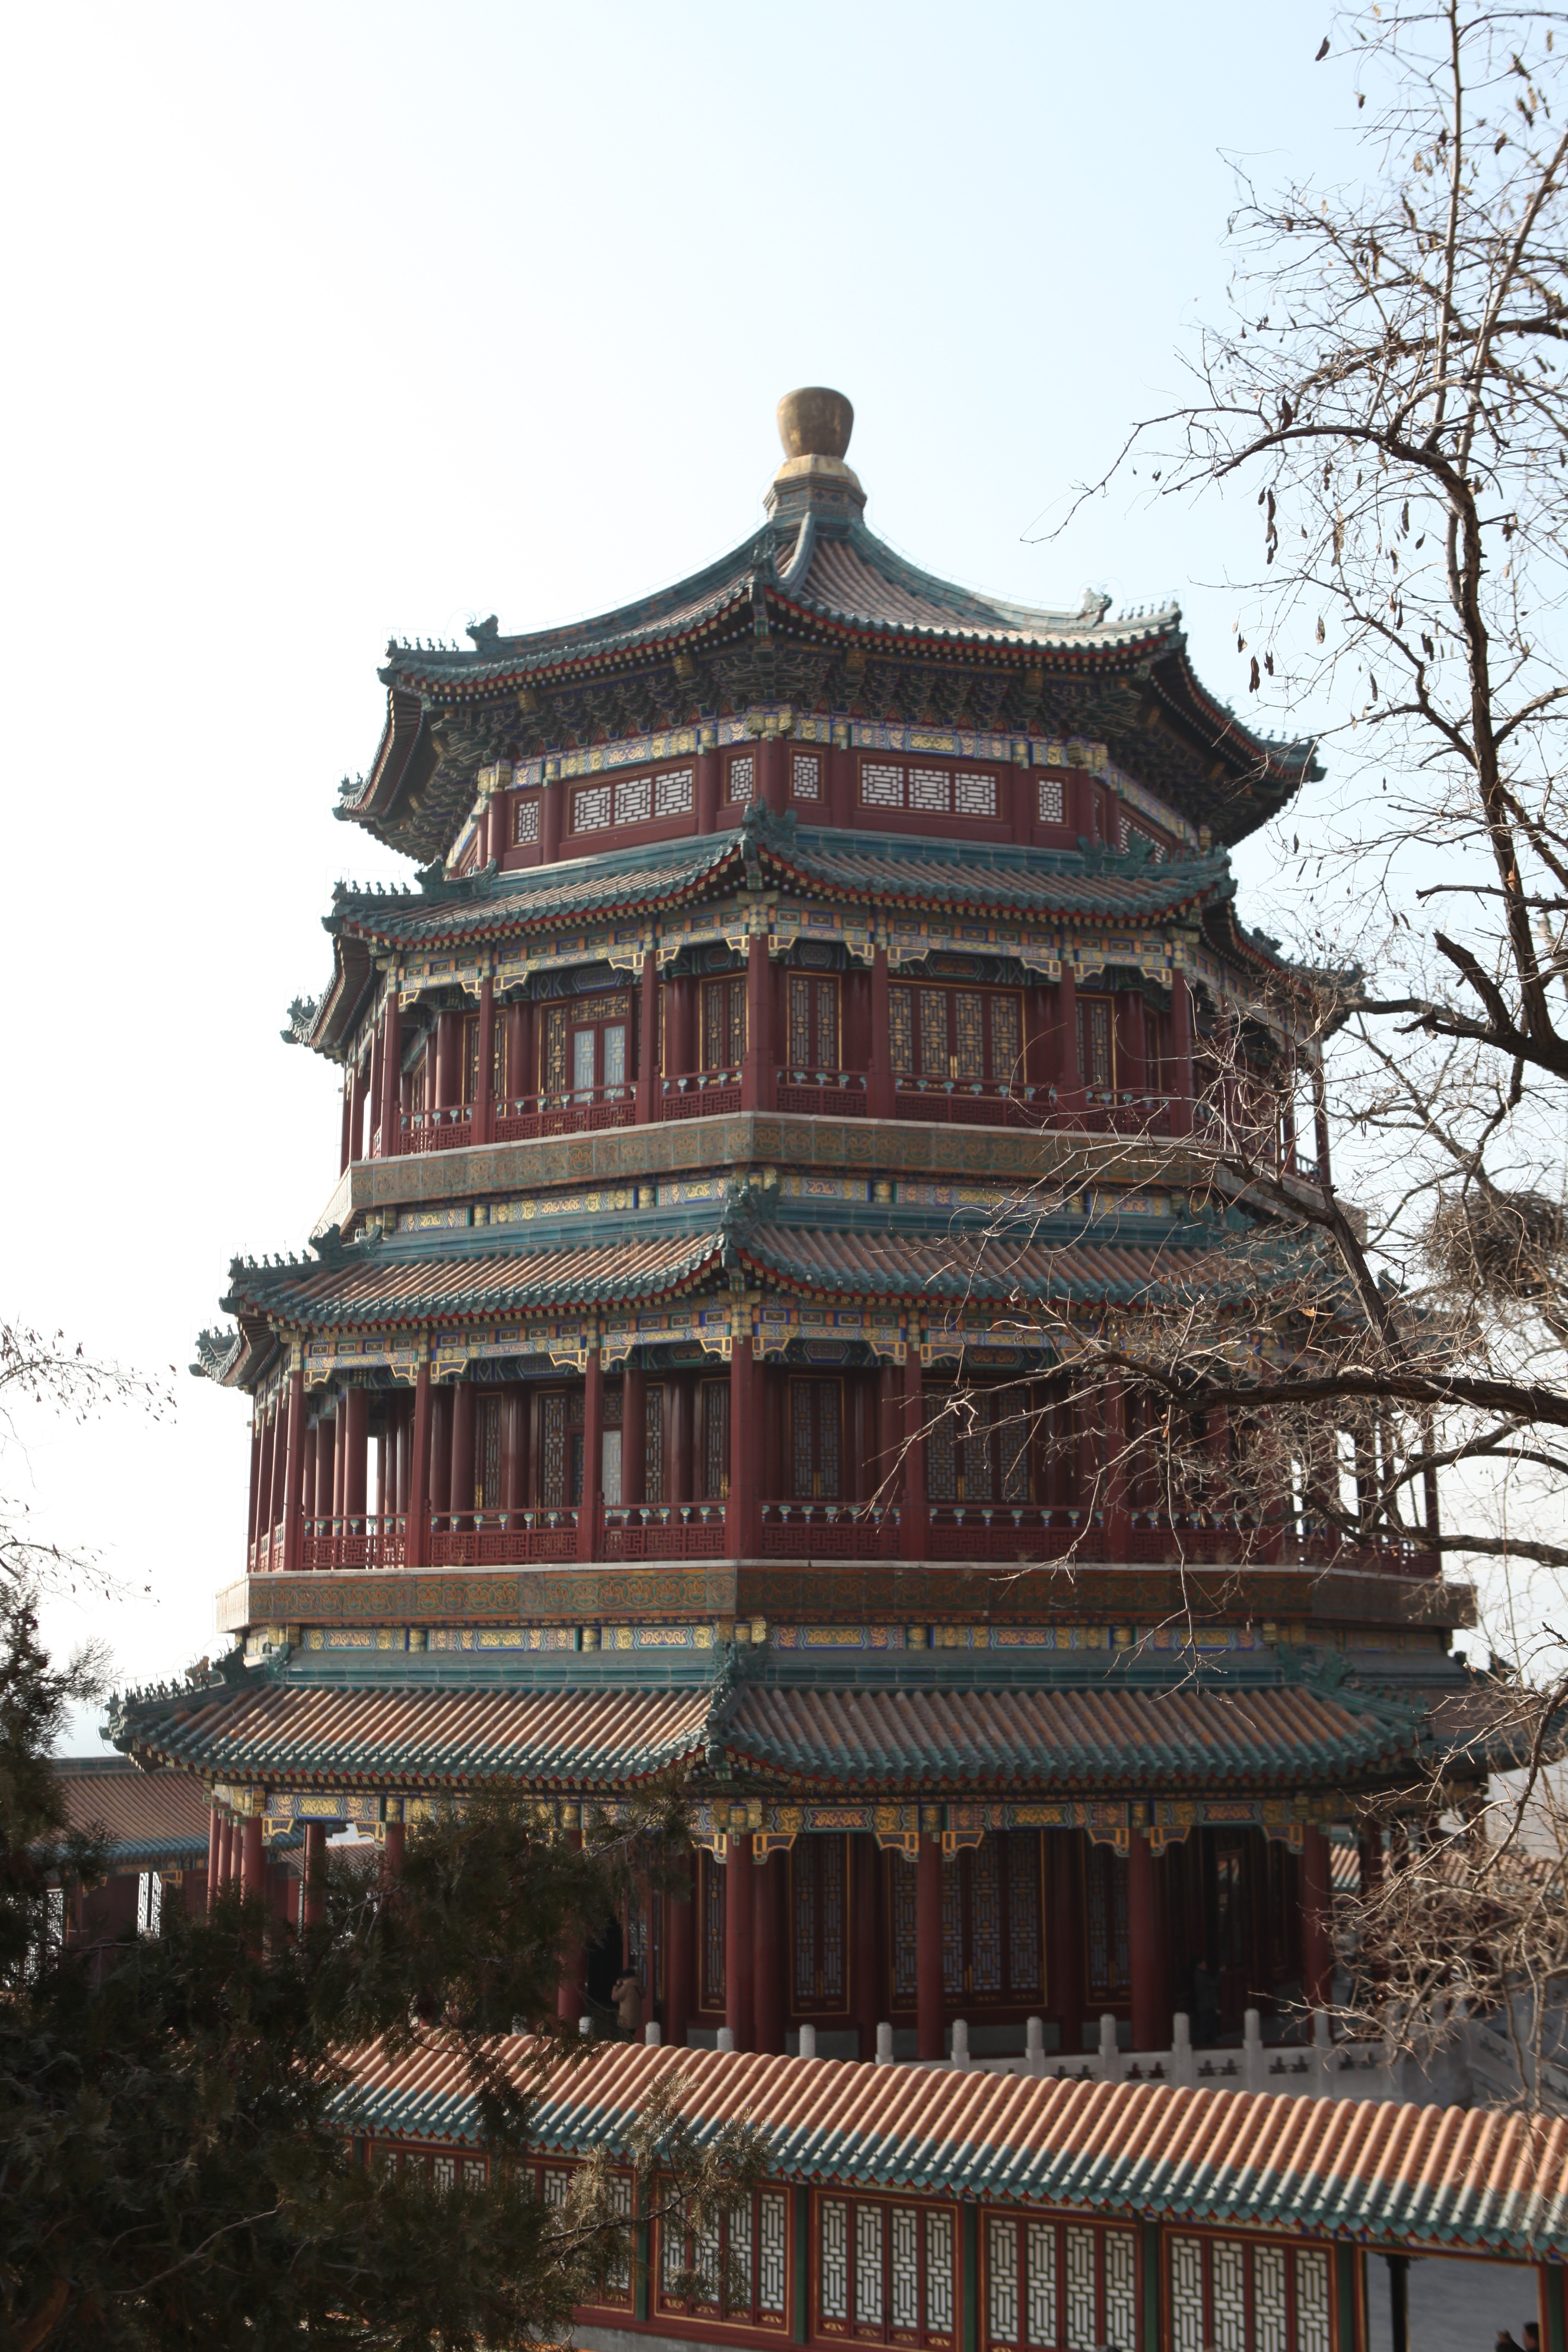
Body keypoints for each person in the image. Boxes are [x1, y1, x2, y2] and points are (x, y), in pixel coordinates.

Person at [611, 1970, 642, 2035]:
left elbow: (615, 1997)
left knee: (625, 2040)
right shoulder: (639, 1986)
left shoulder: (626, 1987)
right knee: (631, 2037)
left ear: (625, 1978)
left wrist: (617, 1985)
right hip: (635, 2019)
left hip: (626, 2020)